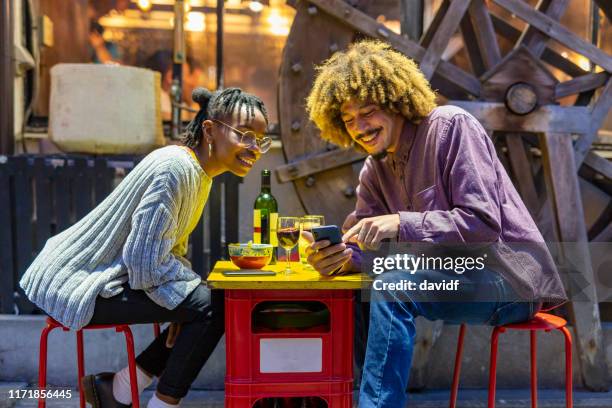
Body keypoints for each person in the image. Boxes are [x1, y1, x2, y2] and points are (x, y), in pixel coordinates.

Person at [302, 40, 567, 407]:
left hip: (507, 279)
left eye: (369, 112)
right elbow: (363, 241)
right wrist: (342, 257)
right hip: (450, 273)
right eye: (348, 121)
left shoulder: (451, 126)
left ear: (395, 102)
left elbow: (482, 225)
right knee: (357, 285)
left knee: (393, 289)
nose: (359, 127)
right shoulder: (374, 167)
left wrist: (400, 222)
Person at [20, 87, 271, 408]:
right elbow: (144, 263)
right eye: (245, 135)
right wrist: (188, 297)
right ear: (209, 130)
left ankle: (119, 390)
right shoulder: (174, 170)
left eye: (261, 140)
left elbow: (170, 252)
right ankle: (148, 400)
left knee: (204, 303)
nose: (255, 148)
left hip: (104, 275)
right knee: (211, 306)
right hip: (76, 283)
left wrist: (186, 300)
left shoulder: (199, 174)